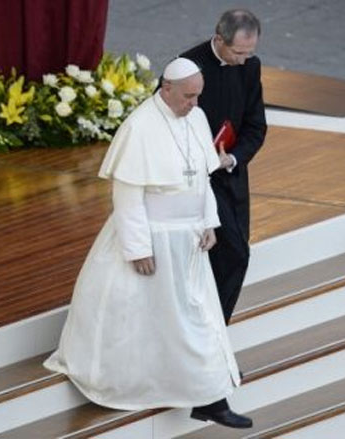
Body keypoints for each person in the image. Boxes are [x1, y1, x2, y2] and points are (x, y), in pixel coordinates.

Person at [44, 58, 251, 428]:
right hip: (153, 243)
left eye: (198, 96)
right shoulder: (140, 126)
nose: (195, 104)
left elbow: (202, 179)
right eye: (188, 96)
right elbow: (127, 196)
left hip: (188, 242)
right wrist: (138, 248)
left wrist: (208, 221)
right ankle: (197, 396)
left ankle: (208, 396)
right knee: (151, 322)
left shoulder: (196, 117)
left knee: (195, 317)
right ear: (166, 88)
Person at [181, 9, 266, 426]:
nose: (244, 60)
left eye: (249, 53)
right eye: (238, 52)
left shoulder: (250, 67)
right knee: (229, 259)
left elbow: (255, 127)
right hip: (195, 185)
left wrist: (231, 158)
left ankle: (213, 355)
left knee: (234, 263)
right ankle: (206, 367)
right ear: (219, 39)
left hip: (231, 179)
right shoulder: (187, 68)